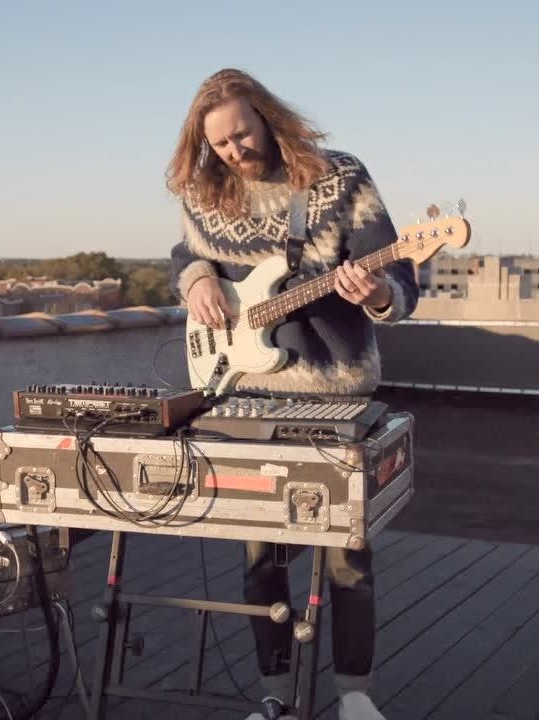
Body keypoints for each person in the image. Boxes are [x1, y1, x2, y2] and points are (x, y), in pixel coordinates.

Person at [167, 68, 418, 720]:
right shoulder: (206, 194)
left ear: (268, 119)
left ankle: (355, 697)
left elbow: (396, 270)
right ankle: (275, 696)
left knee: (347, 556)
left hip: (336, 396)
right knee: (262, 560)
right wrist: (196, 278)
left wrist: (381, 292)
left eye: (242, 136)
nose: (234, 153)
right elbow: (184, 253)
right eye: (218, 144)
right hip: (248, 396)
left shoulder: (339, 179)